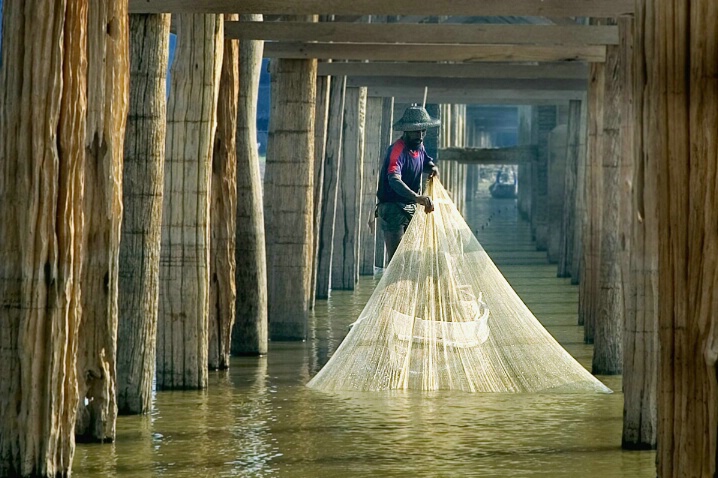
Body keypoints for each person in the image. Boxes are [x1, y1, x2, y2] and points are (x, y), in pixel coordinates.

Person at [375, 104, 440, 262]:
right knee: (397, 261)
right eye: (416, 131)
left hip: (410, 207)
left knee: (412, 258)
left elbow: (425, 161)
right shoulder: (397, 150)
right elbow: (393, 178)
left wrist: (432, 168)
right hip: (393, 208)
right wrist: (417, 197)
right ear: (406, 131)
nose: (420, 135)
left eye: (423, 130)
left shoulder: (419, 146)